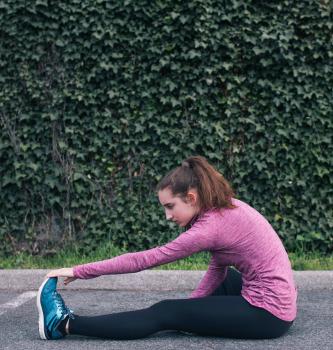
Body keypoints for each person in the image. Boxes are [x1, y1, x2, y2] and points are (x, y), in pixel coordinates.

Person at [37, 155, 297, 340]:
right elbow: (219, 269)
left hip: (269, 314)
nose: (167, 216)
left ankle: (63, 324)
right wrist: (192, 310)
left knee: (165, 312)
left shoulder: (208, 228)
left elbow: (146, 260)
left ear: (192, 197)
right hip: (282, 299)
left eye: (170, 206)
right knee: (220, 284)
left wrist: (80, 270)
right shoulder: (225, 207)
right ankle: (191, 318)